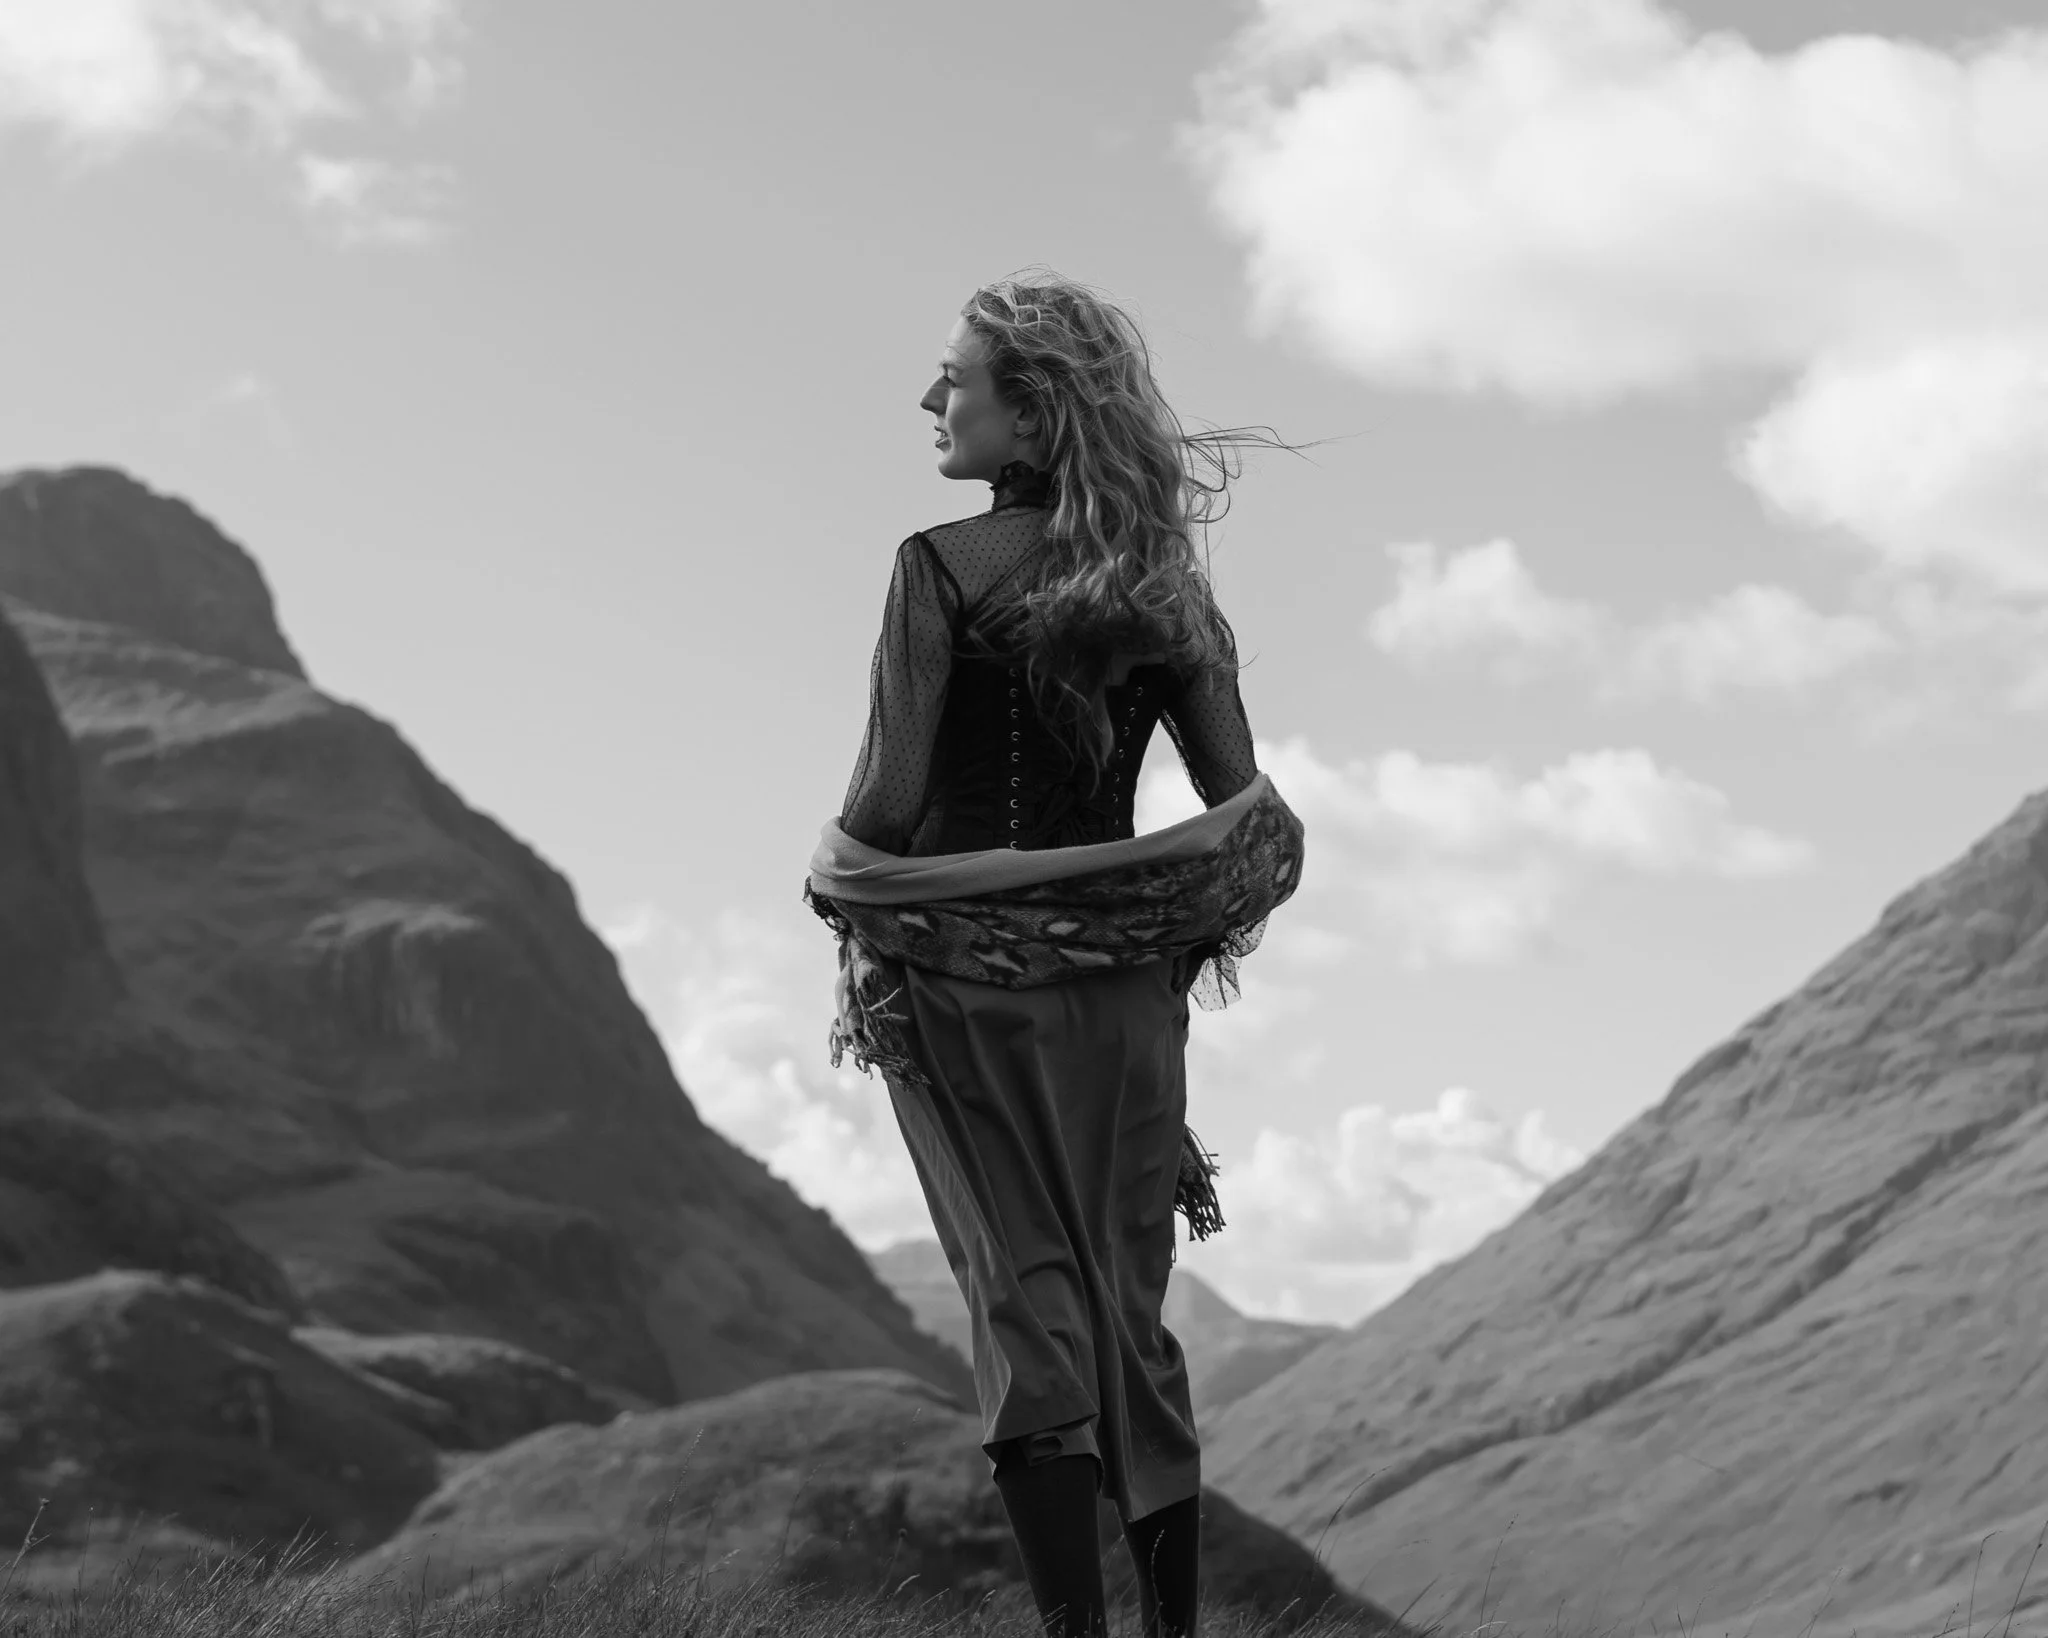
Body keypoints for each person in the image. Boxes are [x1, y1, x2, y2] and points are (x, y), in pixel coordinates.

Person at [803, 273, 1305, 1638]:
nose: (931, 399)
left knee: (1029, 1310)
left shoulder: (938, 571)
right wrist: (1148, 932)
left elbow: (890, 805)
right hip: (1122, 1010)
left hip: (962, 997)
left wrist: (832, 888)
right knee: (1127, 1320)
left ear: (1032, 415)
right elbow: (1247, 812)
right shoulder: (1168, 598)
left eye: (955, 378)